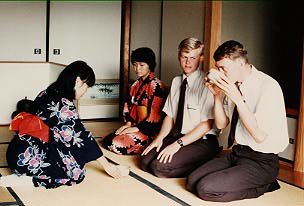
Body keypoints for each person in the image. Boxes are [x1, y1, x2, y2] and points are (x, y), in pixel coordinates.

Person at [186, 40, 289, 202]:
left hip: (261, 160)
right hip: (237, 152)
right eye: (218, 68)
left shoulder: (268, 86)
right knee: (192, 181)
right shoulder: (233, 84)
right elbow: (221, 124)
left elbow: (259, 136)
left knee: (205, 189)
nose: (220, 73)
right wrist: (216, 95)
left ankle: (267, 183)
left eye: (223, 68)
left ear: (240, 63)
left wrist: (238, 98)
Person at [1, 60, 129, 189]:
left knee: (73, 154)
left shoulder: (48, 92)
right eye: (87, 87)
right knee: (75, 173)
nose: (86, 91)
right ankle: (29, 180)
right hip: (28, 159)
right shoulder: (62, 104)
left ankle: (28, 174)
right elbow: (82, 137)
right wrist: (108, 166)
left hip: (17, 151)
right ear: (78, 81)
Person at [140, 38, 220, 178]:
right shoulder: (177, 81)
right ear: (179, 57)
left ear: (200, 58)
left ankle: (207, 161)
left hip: (202, 140)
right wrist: (160, 138)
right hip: (179, 136)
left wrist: (178, 144)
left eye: (192, 58)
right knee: (145, 161)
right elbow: (170, 116)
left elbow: (207, 125)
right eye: (184, 57)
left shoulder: (207, 83)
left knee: (159, 168)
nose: (188, 62)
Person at [102, 47, 166, 155]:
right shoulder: (135, 85)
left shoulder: (157, 86)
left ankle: (148, 144)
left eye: (142, 65)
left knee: (116, 144)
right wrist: (128, 124)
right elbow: (128, 106)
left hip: (148, 130)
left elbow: (155, 117)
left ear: (150, 65)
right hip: (134, 126)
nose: (137, 68)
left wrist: (136, 128)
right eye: (135, 64)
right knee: (107, 140)